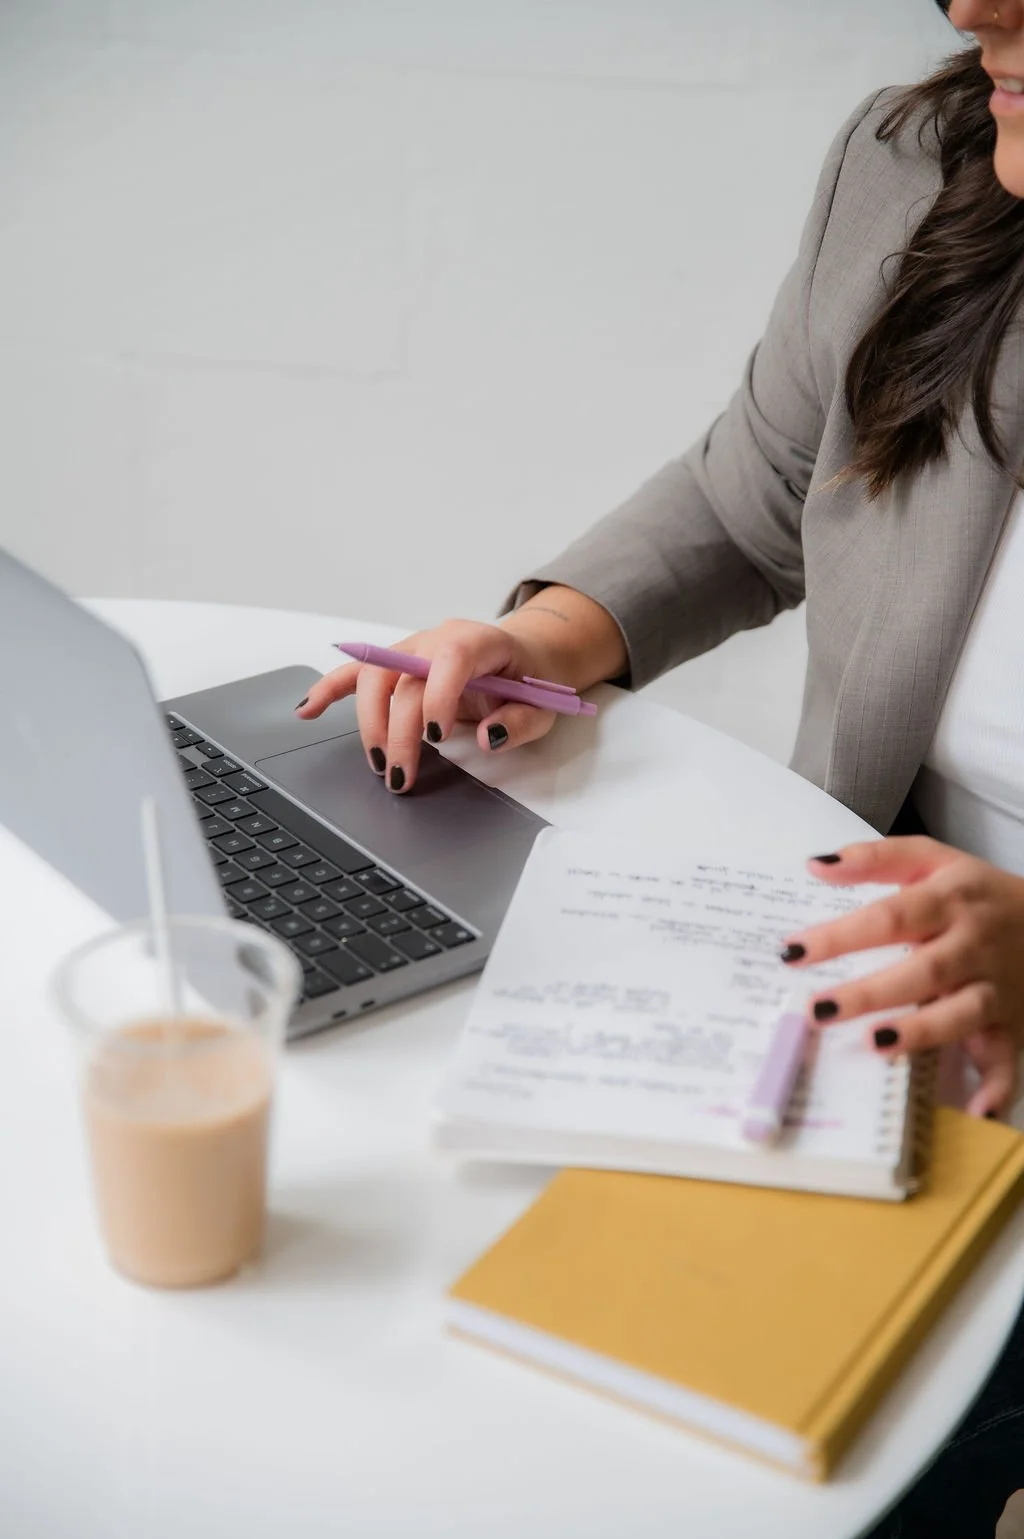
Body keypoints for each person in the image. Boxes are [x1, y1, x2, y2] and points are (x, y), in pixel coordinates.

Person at [301, 3, 1024, 1530]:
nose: (968, 7)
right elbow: (768, 479)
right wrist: (551, 635)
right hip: (865, 1004)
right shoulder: (920, 159)